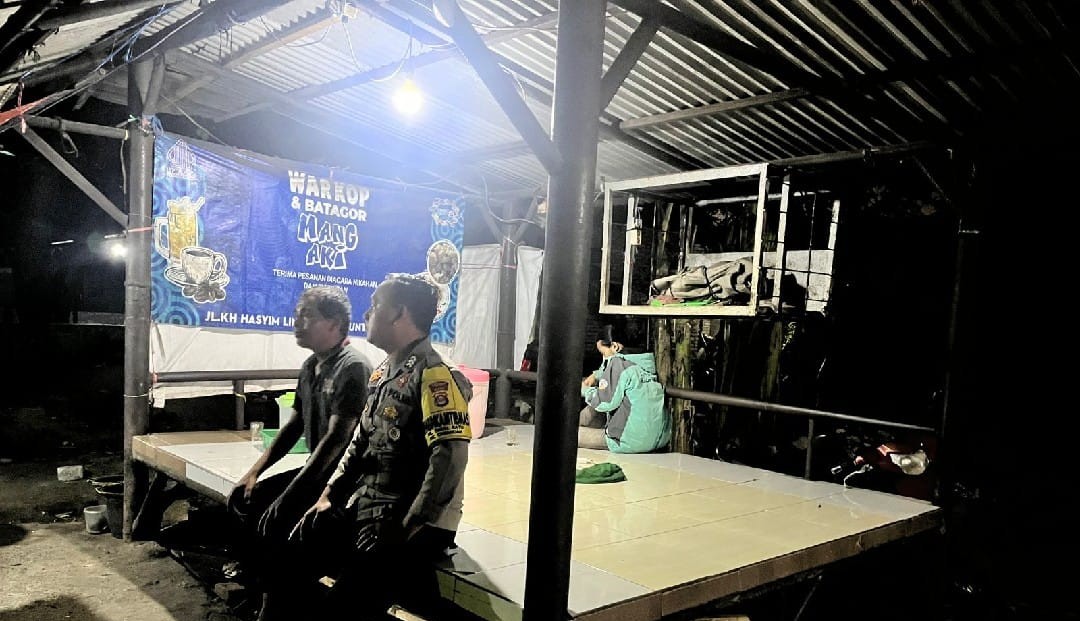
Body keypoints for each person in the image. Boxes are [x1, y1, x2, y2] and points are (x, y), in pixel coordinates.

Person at [260, 274, 473, 620]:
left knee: (342, 608)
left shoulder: (435, 376)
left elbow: (449, 459)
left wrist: (405, 527)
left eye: (375, 305)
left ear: (399, 313)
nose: (366, 314)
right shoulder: (383, 372)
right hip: (372, 508)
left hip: (415, 524)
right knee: (289, 553)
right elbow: (360, 441)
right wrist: (329, 494)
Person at [227, 286, 372, 581]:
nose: (297, 321)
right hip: (317, 471)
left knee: (282, 514)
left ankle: (287, 590)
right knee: (250, 497)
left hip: (342, 480)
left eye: (307, 315)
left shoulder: (353, 367)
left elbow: (336, 440)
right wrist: (253, 473)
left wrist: (289, 496)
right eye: (297, 314)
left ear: (334, 324)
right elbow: (294, 425)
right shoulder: (310, 366)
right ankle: (259, 580)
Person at [578, 325, 671, 453]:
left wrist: (584, 389)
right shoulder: (644, 363)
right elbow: (611, 372)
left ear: (615, 346)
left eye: (603, 353)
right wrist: (596, 375)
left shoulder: (618, 364)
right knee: (598, 404)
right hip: (658, 439)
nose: (603, 358)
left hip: (628, 441)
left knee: (565, 434)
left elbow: (604, 403)